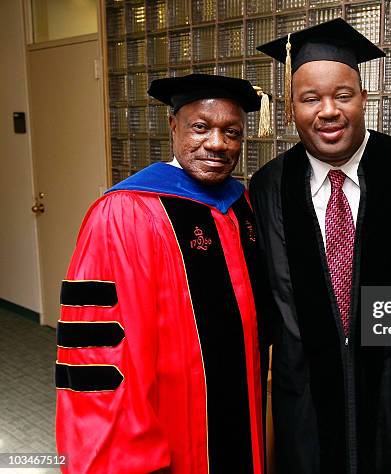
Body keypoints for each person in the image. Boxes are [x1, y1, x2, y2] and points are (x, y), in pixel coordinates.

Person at [251, 18, 391, 474]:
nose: (328, 110)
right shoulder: (268, 188)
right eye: (310, 98)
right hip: (306, 404)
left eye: (342, 95)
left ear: (363, 99)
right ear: (290, 108)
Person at [55, 74, 270, 473]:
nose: (217, 144)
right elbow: (101, 352)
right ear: (174, 126)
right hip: (168, 435)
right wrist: (129, 455)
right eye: (201, 127)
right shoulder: (123, 214)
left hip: (243, 418)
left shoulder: (240, 204)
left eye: (232, 132)